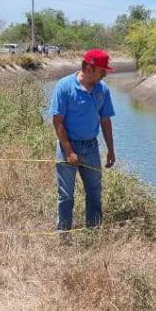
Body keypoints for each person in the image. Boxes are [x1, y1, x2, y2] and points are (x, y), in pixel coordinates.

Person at [49, 49, 116, 235]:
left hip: (91, 148)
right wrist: (69, 151)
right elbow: (58, 122)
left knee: (94, 192)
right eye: (102, 70)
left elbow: (105, 121)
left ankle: (93, 233)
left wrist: (110, 149)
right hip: (67, 147)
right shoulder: (65, 86)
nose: (104, 74)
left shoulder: (102, 90)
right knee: (66, 195)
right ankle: (63, 235)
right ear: (88, 68)